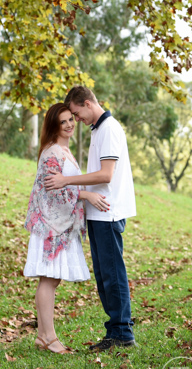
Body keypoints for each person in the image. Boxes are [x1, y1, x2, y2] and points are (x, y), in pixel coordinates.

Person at [44, 86, 137, 352]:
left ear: (87, 103)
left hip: (108, 213)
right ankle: (116, 330)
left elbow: (106, 174)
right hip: (98, 214)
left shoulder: (108, 129)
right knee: (105, 276)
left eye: (76, 113)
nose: (77, 120)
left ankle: (122, 333)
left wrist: (66, 180)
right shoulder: (100, 129)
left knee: (113, 274)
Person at [23, 103, 110, 354]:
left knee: (52, 278)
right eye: (63, 122)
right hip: (51, 225)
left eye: (71, 119)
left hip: (60, 226)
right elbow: (52, 190)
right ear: (54, 126)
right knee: (48, 280)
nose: (70, 124)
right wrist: (86, 195)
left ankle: (44, 336)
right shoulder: (52, 153)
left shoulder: (63, 150)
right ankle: (48, 338)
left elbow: (63, 184)